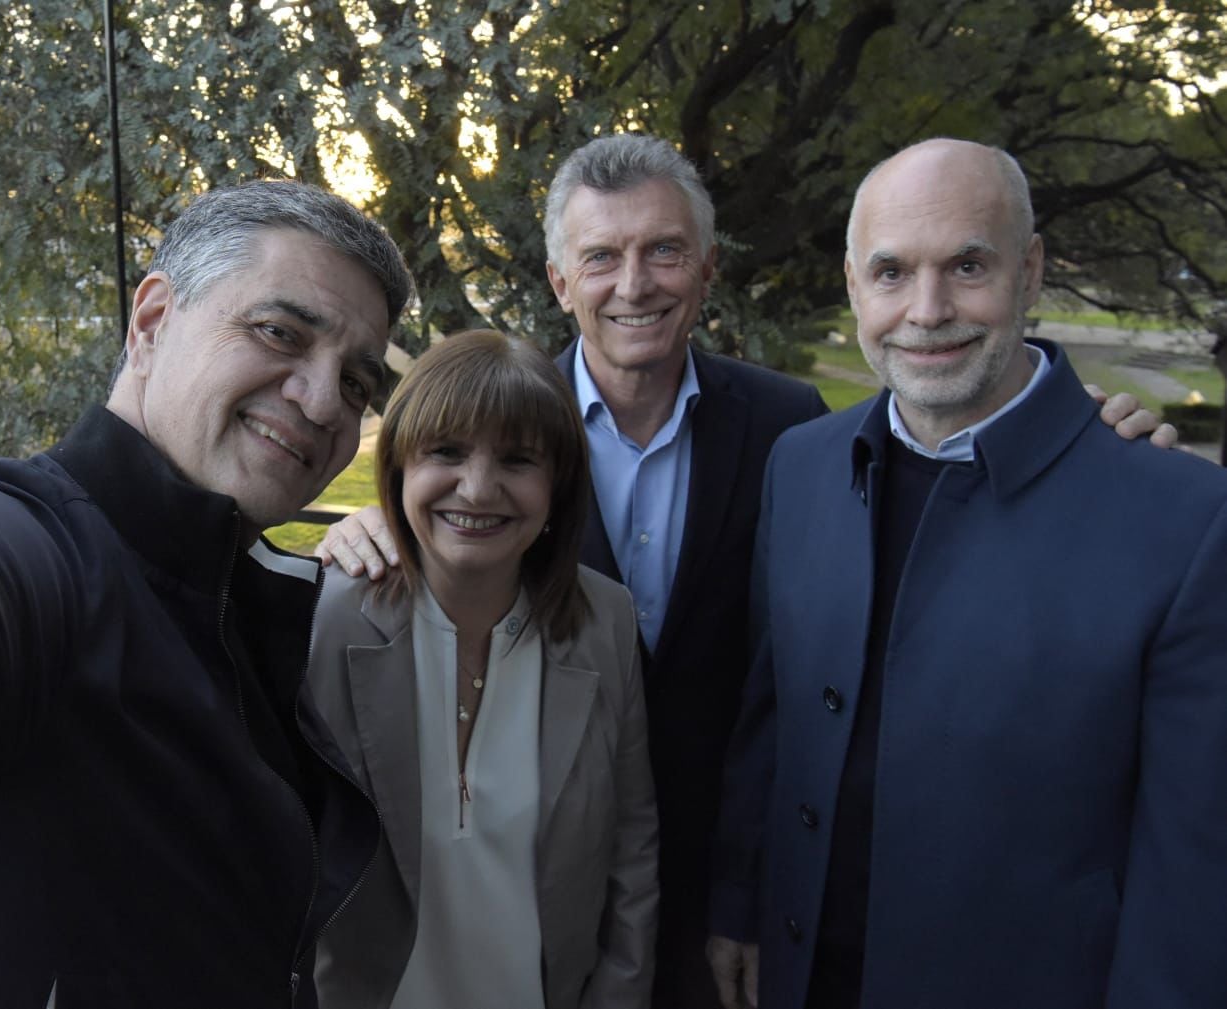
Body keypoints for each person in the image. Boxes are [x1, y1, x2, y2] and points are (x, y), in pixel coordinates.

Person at [315, 133, 1173, 1009]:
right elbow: (448, 503)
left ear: (708, 267)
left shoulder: (791, 429)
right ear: (560, 281)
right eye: (602, 257)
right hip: (539, 879)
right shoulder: (509, 434)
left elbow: (797, 668)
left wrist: (1077, 433)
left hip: (731, 891)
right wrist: (386, 526)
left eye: (665, 251)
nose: (635, 284)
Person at [0, 180, 412, 1007]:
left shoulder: (234, 607)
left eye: (356, 382)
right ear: (152, 322)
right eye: (280, 332)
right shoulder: (21, 549)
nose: (323, 400)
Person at [707, 138, 1227, 1009]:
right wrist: (740, 901)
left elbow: (1193, 875)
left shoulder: (1186, 520)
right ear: (853, 285)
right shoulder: (800, 465)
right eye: (891, 272)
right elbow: (774, 719)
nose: (928, 309)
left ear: (1030, 271)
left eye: (968, 266)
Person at [307, 329, 657, 1009]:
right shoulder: (327, 620)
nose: (477, 488)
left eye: (518, 459)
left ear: (558, 485)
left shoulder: (605, 621)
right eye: (446, 451)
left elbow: (632, 848)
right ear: (399, 464)